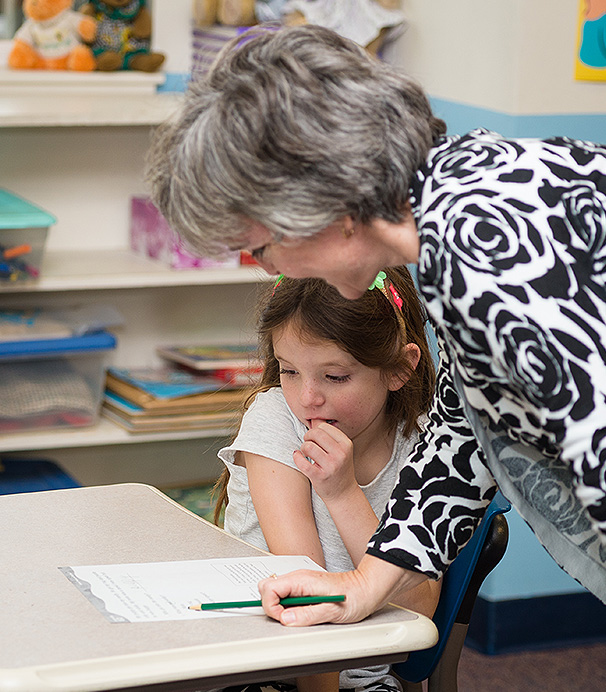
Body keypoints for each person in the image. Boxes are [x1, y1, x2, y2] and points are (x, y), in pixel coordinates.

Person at [146, 24, 606, 628]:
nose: (272, 269)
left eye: (260, 246)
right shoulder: (453, 208)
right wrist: (367, 583)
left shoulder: (480, 249)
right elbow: (462, 433)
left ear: (315, 204)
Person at [212, 268, 440, 692]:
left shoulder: (426, 444)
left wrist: (342, 492)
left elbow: (419, 605)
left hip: (368, 678)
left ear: (398, 369)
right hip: (269, 670)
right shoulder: (276, 420)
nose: (307, 398)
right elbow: (306, 602)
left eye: (335, 377)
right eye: (289, 370)